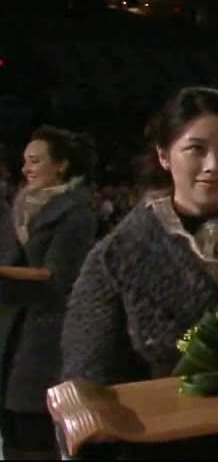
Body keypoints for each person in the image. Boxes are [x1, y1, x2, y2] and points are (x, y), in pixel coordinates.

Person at [61, 87, 218, 458]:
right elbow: (89, 376)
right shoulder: (119, 254)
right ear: (164, 155)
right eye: (196, 148)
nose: (214, 165)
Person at [0, 126, 98, 460]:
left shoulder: (76, 213)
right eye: (24, 161)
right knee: (10, 427)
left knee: (34, 429)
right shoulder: (20, 207)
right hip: (11, 329)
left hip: (44, 335)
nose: (25, 168)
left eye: (35, 161)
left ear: (62, 166)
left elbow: (58, 277)